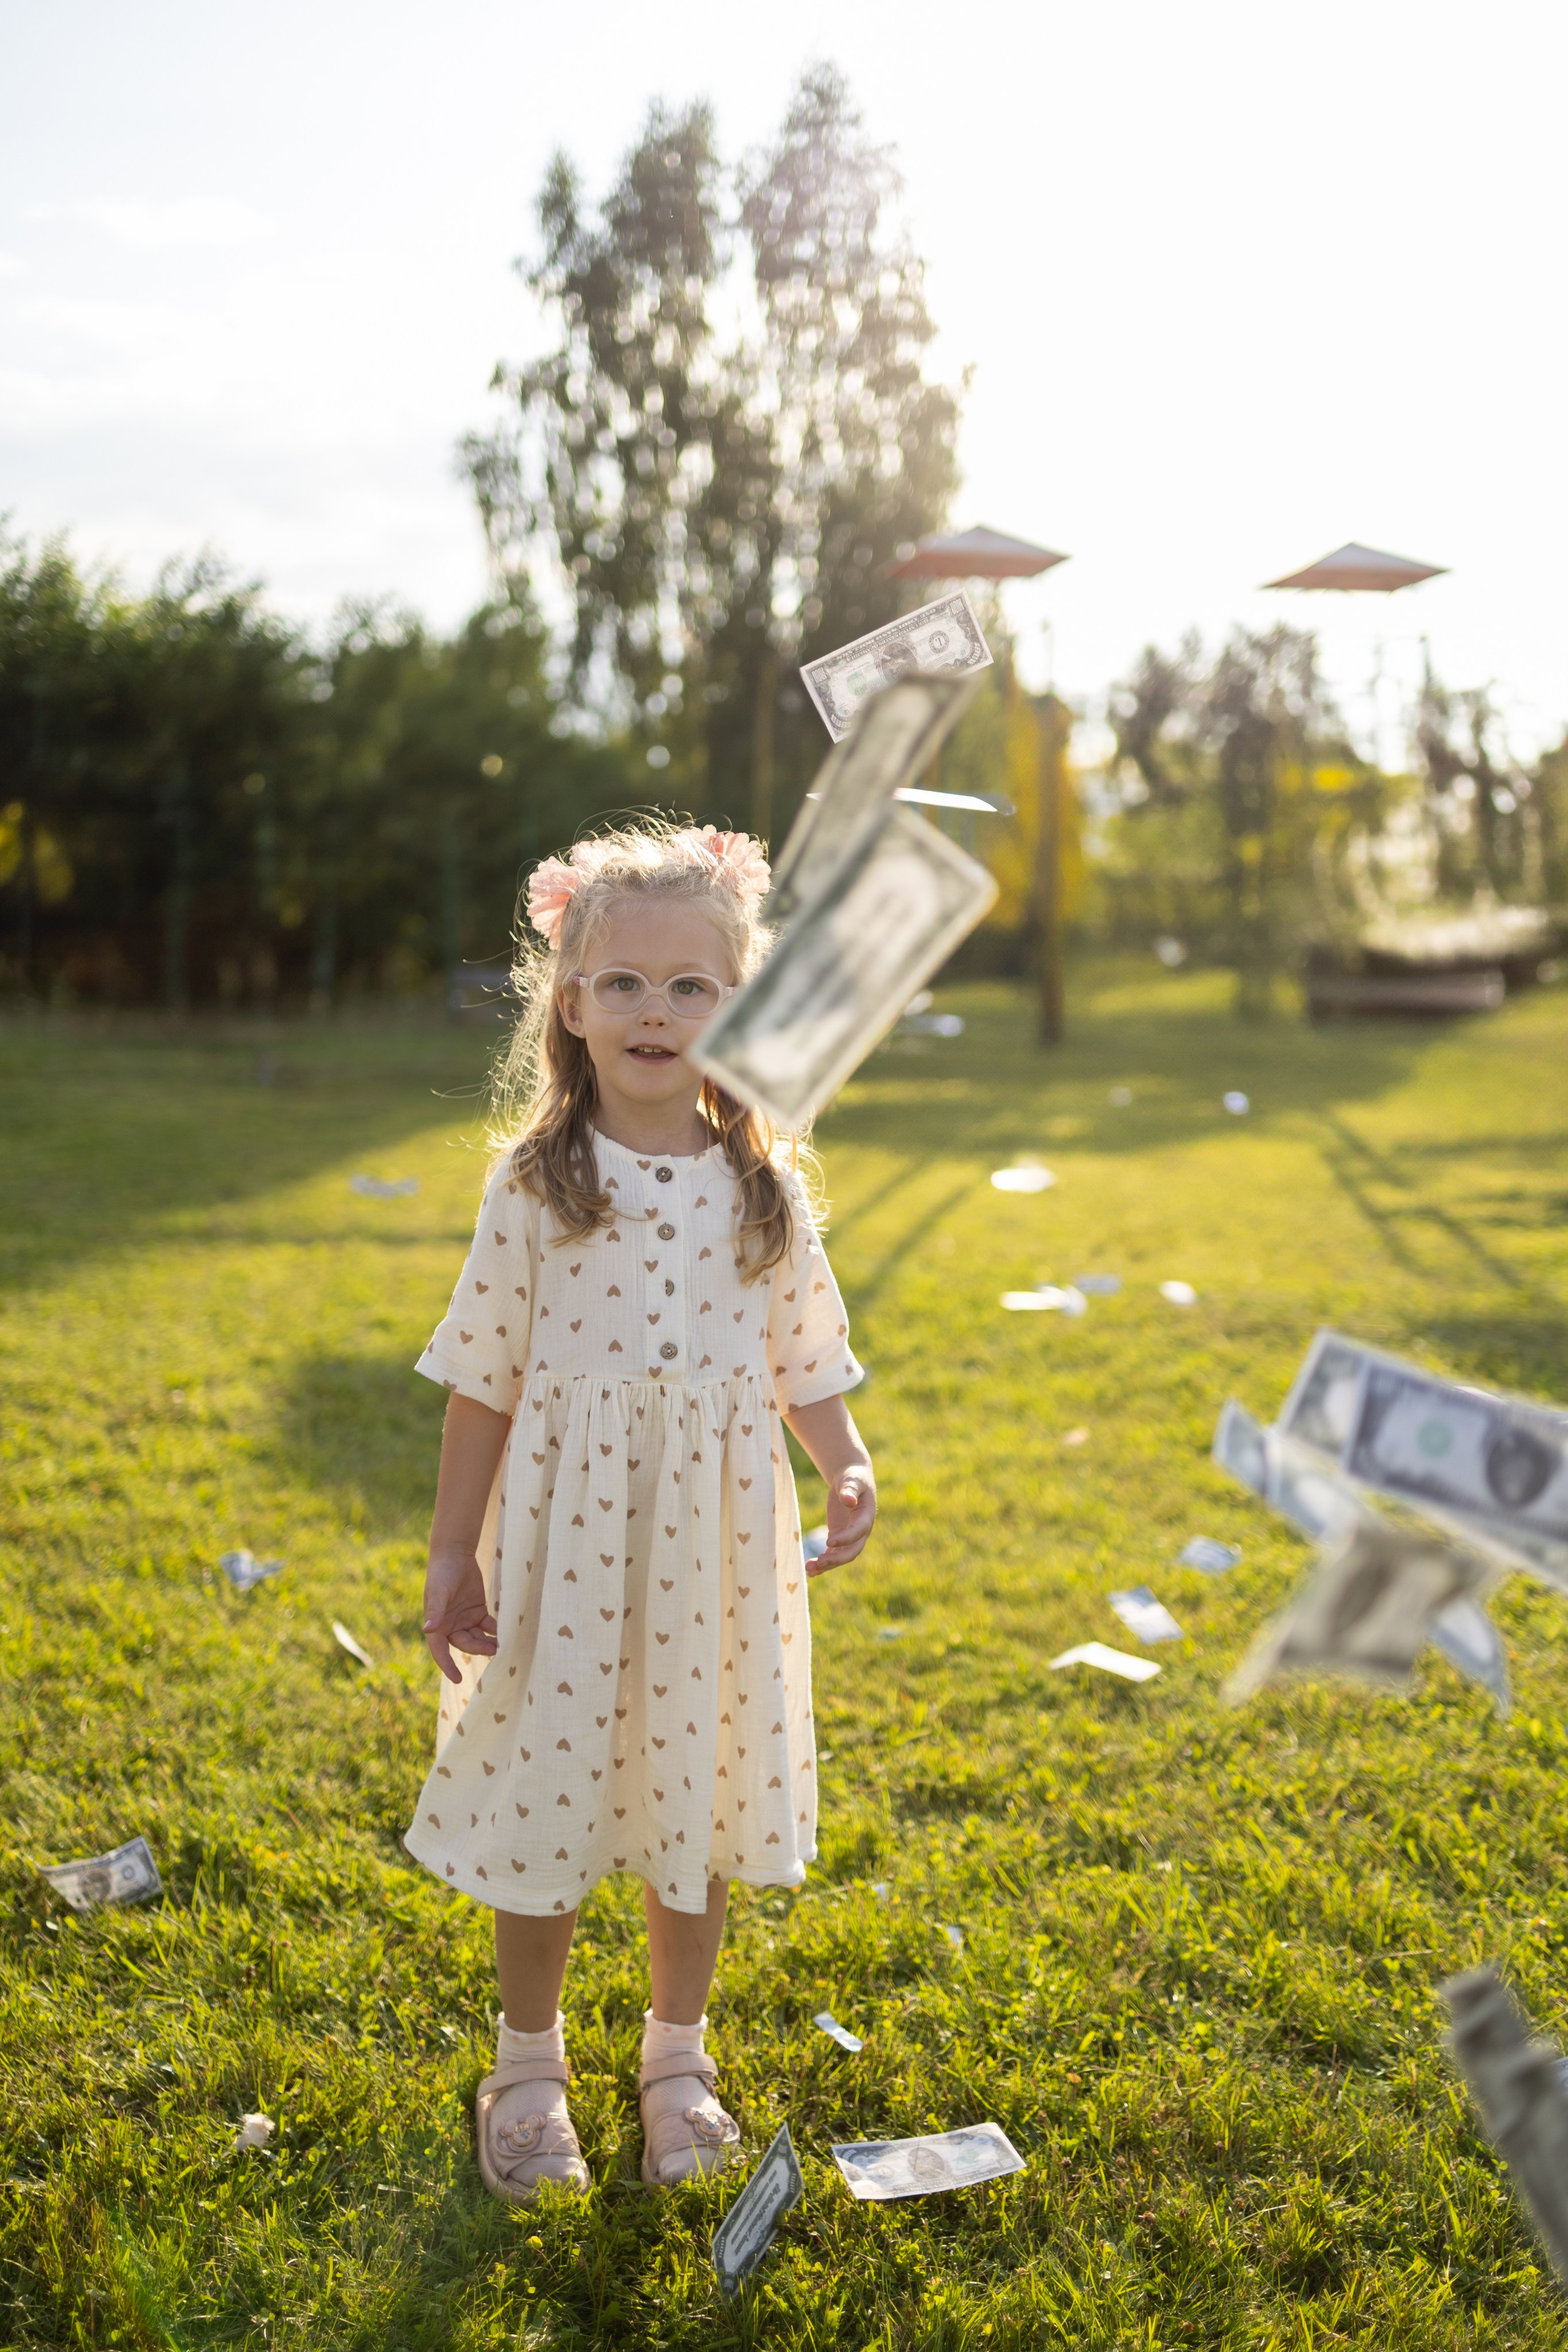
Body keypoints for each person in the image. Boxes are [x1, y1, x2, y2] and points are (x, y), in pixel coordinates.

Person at [406, 819, 875, 2203]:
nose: (656, 1010)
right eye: (623, 982)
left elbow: (807, 1362)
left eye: (692, 985)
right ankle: (528, 2062)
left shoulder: (765, 1190)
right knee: (550, 1794)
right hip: (560, 1548)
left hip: (715, 1553)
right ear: (568, 1003)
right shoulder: (534, 1187)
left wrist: (847, 1462)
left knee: (699, 1793)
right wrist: (450, 1553)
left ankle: (678, 2057)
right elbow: (478, 1385)